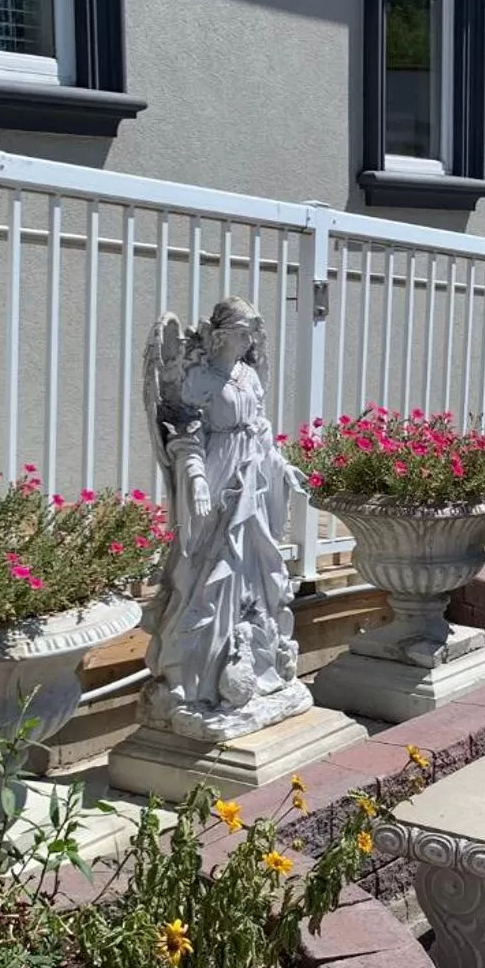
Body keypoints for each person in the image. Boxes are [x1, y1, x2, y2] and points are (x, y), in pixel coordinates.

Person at [137, 298, 312, 742]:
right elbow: (181, 432)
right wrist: (193, 478)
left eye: (252, 332)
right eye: (242, 332)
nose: (250, 340)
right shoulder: (197, 379)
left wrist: (280, 464)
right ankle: (195, 674)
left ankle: (248, 661)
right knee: (204, 571)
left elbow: (260, 429)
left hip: (252, 480)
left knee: (250, 570)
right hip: (215, 479)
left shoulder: (249, 376)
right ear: (221, 334)